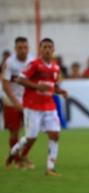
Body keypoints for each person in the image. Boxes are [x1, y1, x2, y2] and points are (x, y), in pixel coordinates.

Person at [5, 38, 68, 176]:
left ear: (53, 49)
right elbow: (19, 79)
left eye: (50, 47)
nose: (47, 49)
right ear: (40, 49)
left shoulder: (56, 67)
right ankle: (13, 152)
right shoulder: (34, 64)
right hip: (33, 106)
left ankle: (50, 168)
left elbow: (51, 85)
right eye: (44, 47)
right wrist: (37, 86)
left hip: (49, 106)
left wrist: (60, 91)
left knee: (55, 135)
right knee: (30, 137)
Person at [2, 37, 33, 168]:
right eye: (20, 48)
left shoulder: (32, 61)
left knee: (32, 132)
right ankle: (16, 160)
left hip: (27, 100)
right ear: (15, 49)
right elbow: (5, 85)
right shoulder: (9, 62)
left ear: (28, 48)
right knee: (14, 131)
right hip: (11, 100)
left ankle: (22, 156)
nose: (23, 50)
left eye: (25, 47)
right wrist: (15, 102)